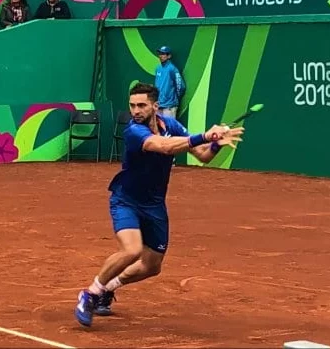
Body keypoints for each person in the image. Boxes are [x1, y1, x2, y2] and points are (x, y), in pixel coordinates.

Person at [74, 82, 244, 327]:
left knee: (152, 266)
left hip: (154, 205)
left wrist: (216, 143)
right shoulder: (134, 131)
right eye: (132, 105)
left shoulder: (170, 125)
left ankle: (107, 288)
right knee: (132, 251)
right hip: (126, 200)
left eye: (141, 105)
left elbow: (204, 156)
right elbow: (162, 146)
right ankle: (89, 294)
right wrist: (205, 135)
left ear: (155, 106)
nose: (135, 110)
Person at [154, 45, 184, 118]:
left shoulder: (172, 69)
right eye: (160, 54)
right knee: (160, 129)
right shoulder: (158, 68)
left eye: (163, 54)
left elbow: (181, 86)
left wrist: (173, 99)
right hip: (159, 105)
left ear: (169, 56)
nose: (160, 56)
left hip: (169, 106)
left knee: (170, 129)